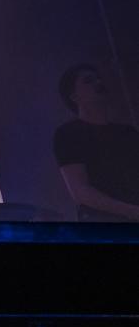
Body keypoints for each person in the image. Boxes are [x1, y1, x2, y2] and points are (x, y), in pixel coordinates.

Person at [53, 64, 139, 222]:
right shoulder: (68, 134)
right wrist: (130, 210)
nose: (98, 83)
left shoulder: (128, 133)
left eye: (98, 79)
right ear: (74, 96)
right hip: (104, 225)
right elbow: (80, 191)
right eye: (88, 81)